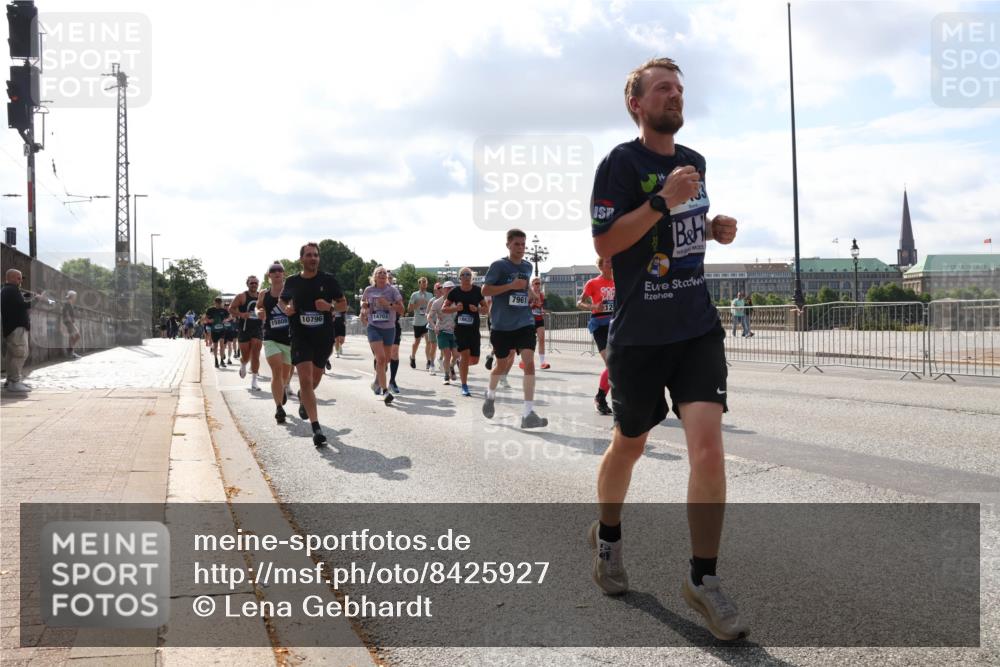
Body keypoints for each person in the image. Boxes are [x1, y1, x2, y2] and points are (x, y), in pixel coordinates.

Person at [587, 57, 747, 640]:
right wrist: (662, 200)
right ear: (637, 103)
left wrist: (712, 227)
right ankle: (608, 537)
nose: (675, 95)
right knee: (630, 444)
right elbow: (607, 242)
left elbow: (681, 229)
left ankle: (703, 579)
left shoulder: (694, 161)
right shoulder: (620, 163)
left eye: (679, 88)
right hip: (639, 334)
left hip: (696, 326)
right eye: (662, 88)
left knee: (708, 451)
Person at [280, 242, 347, 446]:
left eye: (316, 255)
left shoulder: (328, 280)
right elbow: (282, 301)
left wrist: (329, 307)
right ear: (301, 259)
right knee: (306, 379)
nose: (313, 258)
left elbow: (343, 304)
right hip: (300, 336)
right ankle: (316, 428)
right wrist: (287, 308)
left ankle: (303, 396)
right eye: (309, 255)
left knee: (313, 382)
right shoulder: (292, 281)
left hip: (323, 338)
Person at [480, 230, 547, 428]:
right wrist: (510, 286)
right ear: (508, 245)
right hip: (501, 325)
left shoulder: (527, 266)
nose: (521, 248)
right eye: (517, 244)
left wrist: (530, 292)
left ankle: (528, 414)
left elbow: (524, 285)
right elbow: (485, 290)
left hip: (524, 322)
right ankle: (490, 395)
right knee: (501, 365)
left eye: (523, 244)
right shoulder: (499, 266)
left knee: (529, 363)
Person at [577, 257, 616, 415]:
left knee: (618, 365)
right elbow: (579, 302)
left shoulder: (619, 281)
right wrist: (593, 306)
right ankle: (600, 398)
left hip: (616, 324)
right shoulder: (593, 283)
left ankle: (604, 398)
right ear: (600, 266)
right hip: (600, 325)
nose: (611, 264)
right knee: (611, 363)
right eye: (607, 261)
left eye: (613, 261)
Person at [361, 266, 404, 404]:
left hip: (389, 328)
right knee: (380, 358)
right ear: (375, 276)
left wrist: (388, 304)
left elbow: (402, 310)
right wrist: (364, 306)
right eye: (379, 272)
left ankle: (377, 381)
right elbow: (363, 301)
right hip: (373, 327)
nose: (382, 274)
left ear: (387, 277)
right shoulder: (369, 290)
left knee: (386, 360)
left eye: (384, 273)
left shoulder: (393, 290)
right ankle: (385, 391)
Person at [258, 262, 294, 424]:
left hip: (289, 339)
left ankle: (283, 388)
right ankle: (279, 407)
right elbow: (258, 307)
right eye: (273, 270)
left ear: (283, 274)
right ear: (269, 275)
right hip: (270, 337)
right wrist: (259, 311)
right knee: (276, 371)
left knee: (284, 375)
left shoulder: (291, 291)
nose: (277, 272)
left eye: (280, 270)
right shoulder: (263, 294)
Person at [443, 267, 488, 397]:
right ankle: (464, 385)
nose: (466, 276)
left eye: (468, 274)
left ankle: (460, 362)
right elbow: (444, 308)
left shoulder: (477, 291)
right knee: (465, 354)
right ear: (460, 278)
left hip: (474, 329)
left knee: (474, 360)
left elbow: (486, 309)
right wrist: (455, 309)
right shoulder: (454, 292)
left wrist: (477, 309)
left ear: (471, 277)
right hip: (460, 329)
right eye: (464, 274)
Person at [1, 269, 39, 393]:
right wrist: (37, 299)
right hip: (16, 328)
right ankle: (14, 382)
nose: (20, 280)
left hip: (13, 328)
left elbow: (18, 304)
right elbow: (23, 306)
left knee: (12, 355)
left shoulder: (8, 290)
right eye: (18, 278)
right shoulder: (11, 290)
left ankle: (11, 381)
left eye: (21, 278)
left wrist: (27, 297)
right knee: (20, 354)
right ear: (11, 278)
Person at [230, 276, 264, 391]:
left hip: (257, 328)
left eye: (255, 283)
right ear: (247, 284)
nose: (254, 285)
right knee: (246, 355)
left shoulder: (261, 296)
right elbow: (231, 309)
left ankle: (254, 381)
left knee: (256, 354)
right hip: (244, 328)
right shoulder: (241, 296)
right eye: (251, 283)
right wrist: (241, 314)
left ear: (258, 284)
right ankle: (243, 364)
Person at [427, 281, 458, 384]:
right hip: (442, 331)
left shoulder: (457, 302)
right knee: (447, 355)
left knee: (456, 355)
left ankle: (451, 367)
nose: (450, 290)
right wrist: (434, 326)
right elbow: (429, 317)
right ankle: (446, 376)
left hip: (454, 332)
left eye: (452, 288)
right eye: (448, 288)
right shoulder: (437, 302)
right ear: (443, 290)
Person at [408, 277, 434, 371]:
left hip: (427, 322)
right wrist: (417, 304)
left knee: (429, 342)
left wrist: (428, 304)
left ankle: (428, 361)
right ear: (419, 284)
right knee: (417, 342)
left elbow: (433, 307)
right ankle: (412, 357)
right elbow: (409, 309)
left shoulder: (430, 295)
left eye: (425, 282)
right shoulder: (414, 295)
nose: (424, 284)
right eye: (422, 282)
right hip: (418, 322)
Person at [529, 277, 550, 369]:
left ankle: (542, 362)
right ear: (532, 284)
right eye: (536, 283)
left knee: (541, 339)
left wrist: (543, 310)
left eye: (539, 283)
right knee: (530, 341)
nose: (538, 285)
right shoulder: (529, 294)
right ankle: (526, 360)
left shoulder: (541, 295)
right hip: (530, 320)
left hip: (539, 319)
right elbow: (524, 307)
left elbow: (542, 306)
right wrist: (533, 304)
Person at [205, 297, 229, 368]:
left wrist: (226, 320)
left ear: (221, 303)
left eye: (220, 303)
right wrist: (209, 321)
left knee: (222, 345)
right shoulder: (210, 310)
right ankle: (216, 360)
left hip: (222, 330)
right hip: (214, 330)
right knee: (215, 346)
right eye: (217, 303)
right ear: (214, 302)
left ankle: (222, 360)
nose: (219, 304)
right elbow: (205, 318)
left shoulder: (224, 310)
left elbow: (230, 317)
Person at [62, 290, 82, 359]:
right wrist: (71, 323)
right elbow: (67, 314)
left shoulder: (69, 303)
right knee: (77, 336)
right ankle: (70, 351)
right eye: (75, 296)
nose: (76, 297)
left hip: (69, 322)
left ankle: (71, 352)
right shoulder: (67, 303)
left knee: (72, 337)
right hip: (69, 322)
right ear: (72, 296)